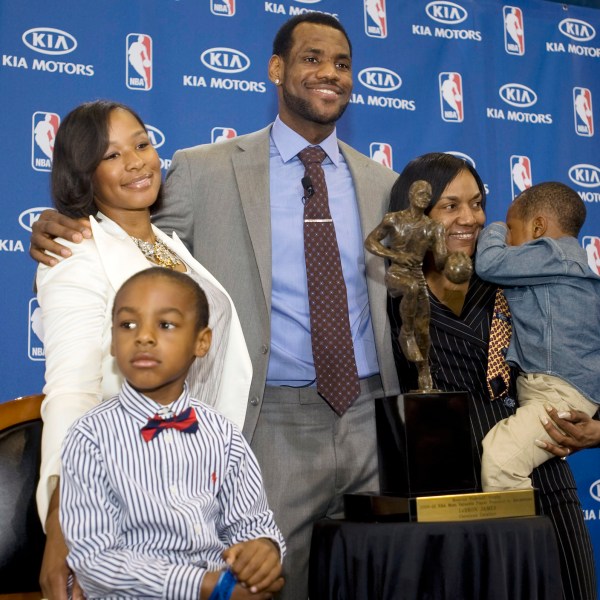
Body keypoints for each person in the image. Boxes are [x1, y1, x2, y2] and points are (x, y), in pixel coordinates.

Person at [30, 14, 400, 600]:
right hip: (267, 425)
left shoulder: (385, 183)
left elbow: (151, 246)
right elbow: (122, 260)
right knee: (262, 588)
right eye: (311, 58)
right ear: (277, 70)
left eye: (342, 63)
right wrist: (69, 223)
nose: (329, 72)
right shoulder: (203, 171)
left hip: (375, 418)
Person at [35, 100, 252, 600]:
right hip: (124, 504)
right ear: (83, 174)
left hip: (197, 497)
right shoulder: (75, 254)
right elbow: (73, 392)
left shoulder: (167, 245)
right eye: (111, 156)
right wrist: (62, 520)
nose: (136, 162)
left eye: (141, 143)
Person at [388, 153, 597, 600]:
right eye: (450, 206)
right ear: (417, 213)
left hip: (539, 482)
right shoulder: (396, 294)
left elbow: (586, 342)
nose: (470, 218)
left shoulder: (517, 273)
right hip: (445, 495)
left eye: (477, 203)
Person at [60, 267, 284, 599]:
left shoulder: (224, 436)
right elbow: (94, 561)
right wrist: (203, 586)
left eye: (165, 325)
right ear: (111, 340)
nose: (144, 337)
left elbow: (252, 524)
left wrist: (263, 550)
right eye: (128, 325)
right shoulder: (89, 437)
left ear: (201, 342)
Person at [475, 182, 600, 492]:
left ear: (538, 228)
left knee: (502, 460)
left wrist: (493, 228)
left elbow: (490, 262)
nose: (509, 240)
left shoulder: (552, 254)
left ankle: (521, 540)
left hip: (558, 392)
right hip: (552, 388)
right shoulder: (567, 269)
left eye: (513, 231)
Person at [365, 179, 471, 390]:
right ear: (411, 196)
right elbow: (370, 242)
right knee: (411, 289)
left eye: (427, 194)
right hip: (396, 274)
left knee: (423, 330)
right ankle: (406, 333)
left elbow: (440, 260)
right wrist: (394, 255)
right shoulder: (393, 220)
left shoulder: (433, 228)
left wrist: (454, 262)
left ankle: (424, 373)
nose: (424, 197)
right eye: (420, 193)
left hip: (417, 277)